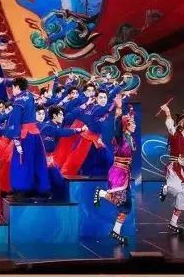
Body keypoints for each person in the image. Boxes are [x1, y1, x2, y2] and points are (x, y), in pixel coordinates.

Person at [94, 109, 136, 245]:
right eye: (132, 123)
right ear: (126, 125)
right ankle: (101, 193)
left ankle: (116, 231)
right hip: (118, 172)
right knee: (122, 200)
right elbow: (117, 126)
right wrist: (118, 110)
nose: (135, 125)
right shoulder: (120, 138)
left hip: (126, 173)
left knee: (127, 206)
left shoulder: (130, 138)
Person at [8, 78, 50, 201]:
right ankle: (41, 189)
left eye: (13, 88)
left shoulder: (18, 101)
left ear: (17, 87)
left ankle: (21, 191)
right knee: (38, 161)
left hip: (24, 136)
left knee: (21, 162)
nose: (12, 91)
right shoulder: (29, 95)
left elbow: (16, 122)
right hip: (35, 134)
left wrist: (16, 140)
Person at [39, 105, 84, 201]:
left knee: (57, 183)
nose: (63, 117)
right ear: (54, 116)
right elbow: (62, 132)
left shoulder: (54, 125)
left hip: (49, 161)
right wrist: (80, 130)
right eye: (61, 115)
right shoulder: (48, 127)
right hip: (43, 162)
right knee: (57, 182)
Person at [158, 101, 184, 235]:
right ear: (182, 123)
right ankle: (166, 188)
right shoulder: (175, 134)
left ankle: (173, 223)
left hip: (181, 169)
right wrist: (167, 112)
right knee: (176, 190)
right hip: (173, 167)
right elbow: (170, 125)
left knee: (183, 197)